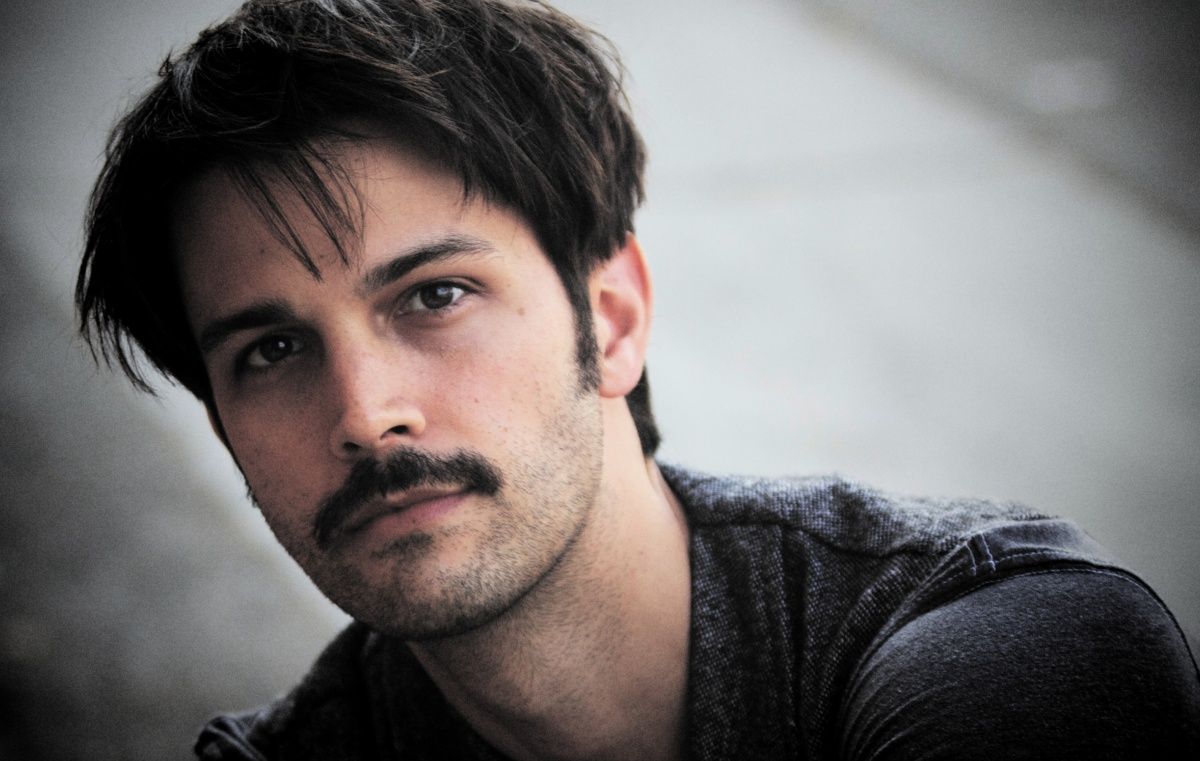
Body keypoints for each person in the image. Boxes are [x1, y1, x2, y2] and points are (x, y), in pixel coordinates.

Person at [76, 1, 1199, 759]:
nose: (368, 414)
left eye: (435, 294)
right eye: (270, 351)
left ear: (610, 317)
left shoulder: (1001, 648)